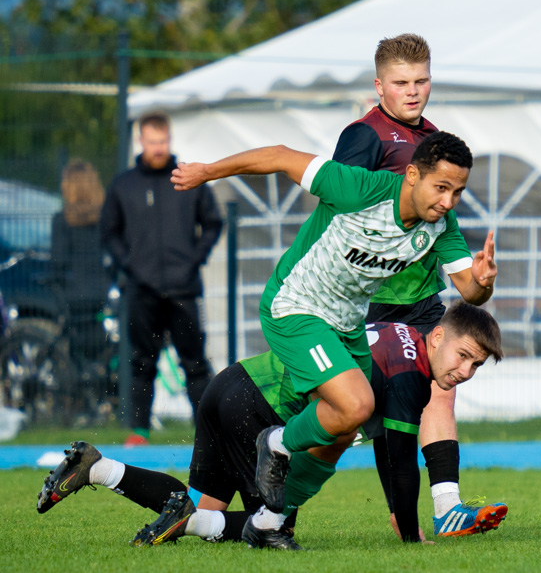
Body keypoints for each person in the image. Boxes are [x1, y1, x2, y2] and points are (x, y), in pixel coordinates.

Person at [171, 131, 498, 543]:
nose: (448, 202)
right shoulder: (357, 187)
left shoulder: (440, 225)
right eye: (441, 188)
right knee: (357, 403)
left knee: (345, 431)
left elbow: (470, 291)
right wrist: (207, 172)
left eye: (458, 192)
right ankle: (274, 443)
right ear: (412, 175)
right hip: (295, 305)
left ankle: (269, 522)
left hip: (346, 325)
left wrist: (484, 282)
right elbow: (279, 154)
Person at [35, 302, 505, 549]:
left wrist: (401, 512)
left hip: (232, 383)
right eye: (463, 356)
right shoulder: (411, 377)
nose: (464, 371)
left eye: (476, 366)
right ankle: (186, 517)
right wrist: (409, 536)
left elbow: (388, 449)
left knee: (204, 504)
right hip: (257, 408)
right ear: (438, 336)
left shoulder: (398, 335)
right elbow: (400, 462)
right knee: (272, 525)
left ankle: (96, 468)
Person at [331, 33, 500, 534]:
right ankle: (397, 511)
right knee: (383, 409)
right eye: (401, 82)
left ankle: (448, 506)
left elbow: (440, 220)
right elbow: (339, 208)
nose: (413, 91)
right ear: (379, 84)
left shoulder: (432, 140)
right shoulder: (364, 136)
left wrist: (478, 279)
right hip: (373, 300)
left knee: (441, 390)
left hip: (424, 297)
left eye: (421, 80)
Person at [100, 112, 223, 446]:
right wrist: (130, 265)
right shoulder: (123, 185)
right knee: (141, 362)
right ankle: (139, 431)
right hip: (142, 291)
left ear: (169, 140)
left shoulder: (188, 179)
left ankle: (208, 432)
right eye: (152, 142)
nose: (158, 148)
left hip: (184, 289)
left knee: (195, 364)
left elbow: (213, 223)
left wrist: (194, 260)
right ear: (141, 141)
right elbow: (108, 232)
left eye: (163, 142)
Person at [51, 159, 112, 379]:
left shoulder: (62, 220)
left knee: (74, 343)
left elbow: (58, 261)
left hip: (74, 295)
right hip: (102, 292)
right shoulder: (105, 218)